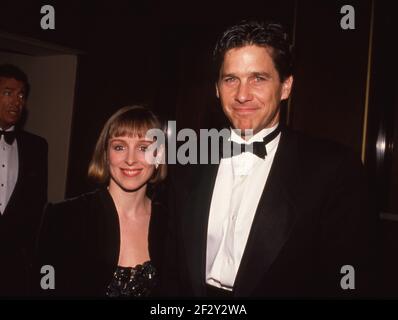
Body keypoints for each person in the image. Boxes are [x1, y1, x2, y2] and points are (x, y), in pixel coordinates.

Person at [172, 20, 375, 298]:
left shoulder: (333, 169)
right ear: (217, 88)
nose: (242, 95)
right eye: (231, 79)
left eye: (258, 78)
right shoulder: (189, 160)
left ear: (286, 87)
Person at [35, 105, 169, 297]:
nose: (130, 159)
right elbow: (43, 289)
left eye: (143, 148)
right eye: (120, 147)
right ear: (106, 154)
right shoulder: (64, 216)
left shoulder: (169, 223)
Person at [0, 64, 48, 296]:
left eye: (21, 95)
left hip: (15, 266)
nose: (16, 101)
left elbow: (38, 206)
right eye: (8, 93)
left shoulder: (36, 147)